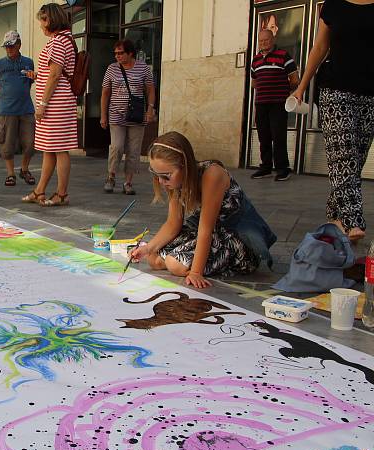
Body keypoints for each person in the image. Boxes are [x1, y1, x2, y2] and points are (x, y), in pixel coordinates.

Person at [130, 131, 276, 289]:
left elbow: (206, 229)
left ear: (185, 166)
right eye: (156, 174)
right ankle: (180, 260)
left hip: (236, 238)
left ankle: (192, 264)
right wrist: (147, 248)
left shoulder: (212, 174)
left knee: (175, 264)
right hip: (209, 233)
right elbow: (173, 223)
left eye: (166, 176)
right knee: (152, 258)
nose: (161, 181)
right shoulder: (174, 181)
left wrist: (196, 272)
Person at [291, 0, 374, 242]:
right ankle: (352, 220)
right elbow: (319, 48)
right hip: (336, 90)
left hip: (369, 93)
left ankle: (335, 215)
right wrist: (302, 87)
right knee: (343, 154)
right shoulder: (333, 6)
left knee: (356, 159)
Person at [21, 3, 77, 207]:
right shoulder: (66, 40)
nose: (41, 26)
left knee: (59, 149)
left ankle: (62, 193)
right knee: (50, 148)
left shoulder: (58, 42)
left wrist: (43, 104)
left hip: (56, 103)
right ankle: (40, 191)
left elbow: (55, 74)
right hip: (60, 100)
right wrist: (38, 75)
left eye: (43, 20)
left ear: (51, 19)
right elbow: (54, 73)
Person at [100, 38, 156, 195]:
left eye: (120, 53)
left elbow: (150, 89)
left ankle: (128, 182)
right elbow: (105, 93)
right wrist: (103, 115)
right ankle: (110, 177)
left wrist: (150, 109)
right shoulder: (111, 69)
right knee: (116, 147)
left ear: (130, 53)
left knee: (134, 150)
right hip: (116, 114)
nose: (117, 56)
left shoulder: (143, 68)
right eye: (115, 53)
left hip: (137, 115)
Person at [250, 29, 299, 181]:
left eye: (266, 40)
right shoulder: (256, 60)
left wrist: (284, 91)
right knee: (264, 137)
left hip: (278, 103)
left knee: (278, 137)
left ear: (273, 39)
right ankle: (265, 168)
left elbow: (295, 79)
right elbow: (254, 82)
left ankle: (282, 169)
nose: (264, 43)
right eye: (261, 41)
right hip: (261, 104)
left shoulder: (284, 56)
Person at [0, 30, 36, 187]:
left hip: (26, 108)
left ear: (19, 45)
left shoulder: (28, 62)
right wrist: (9, 95)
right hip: (6, 110)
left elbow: (30, 82)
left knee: (30, 143)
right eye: (6, 46)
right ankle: (10, 174)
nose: (9, 49)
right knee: (7, 146)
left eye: (11, 46)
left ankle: (24, 169)